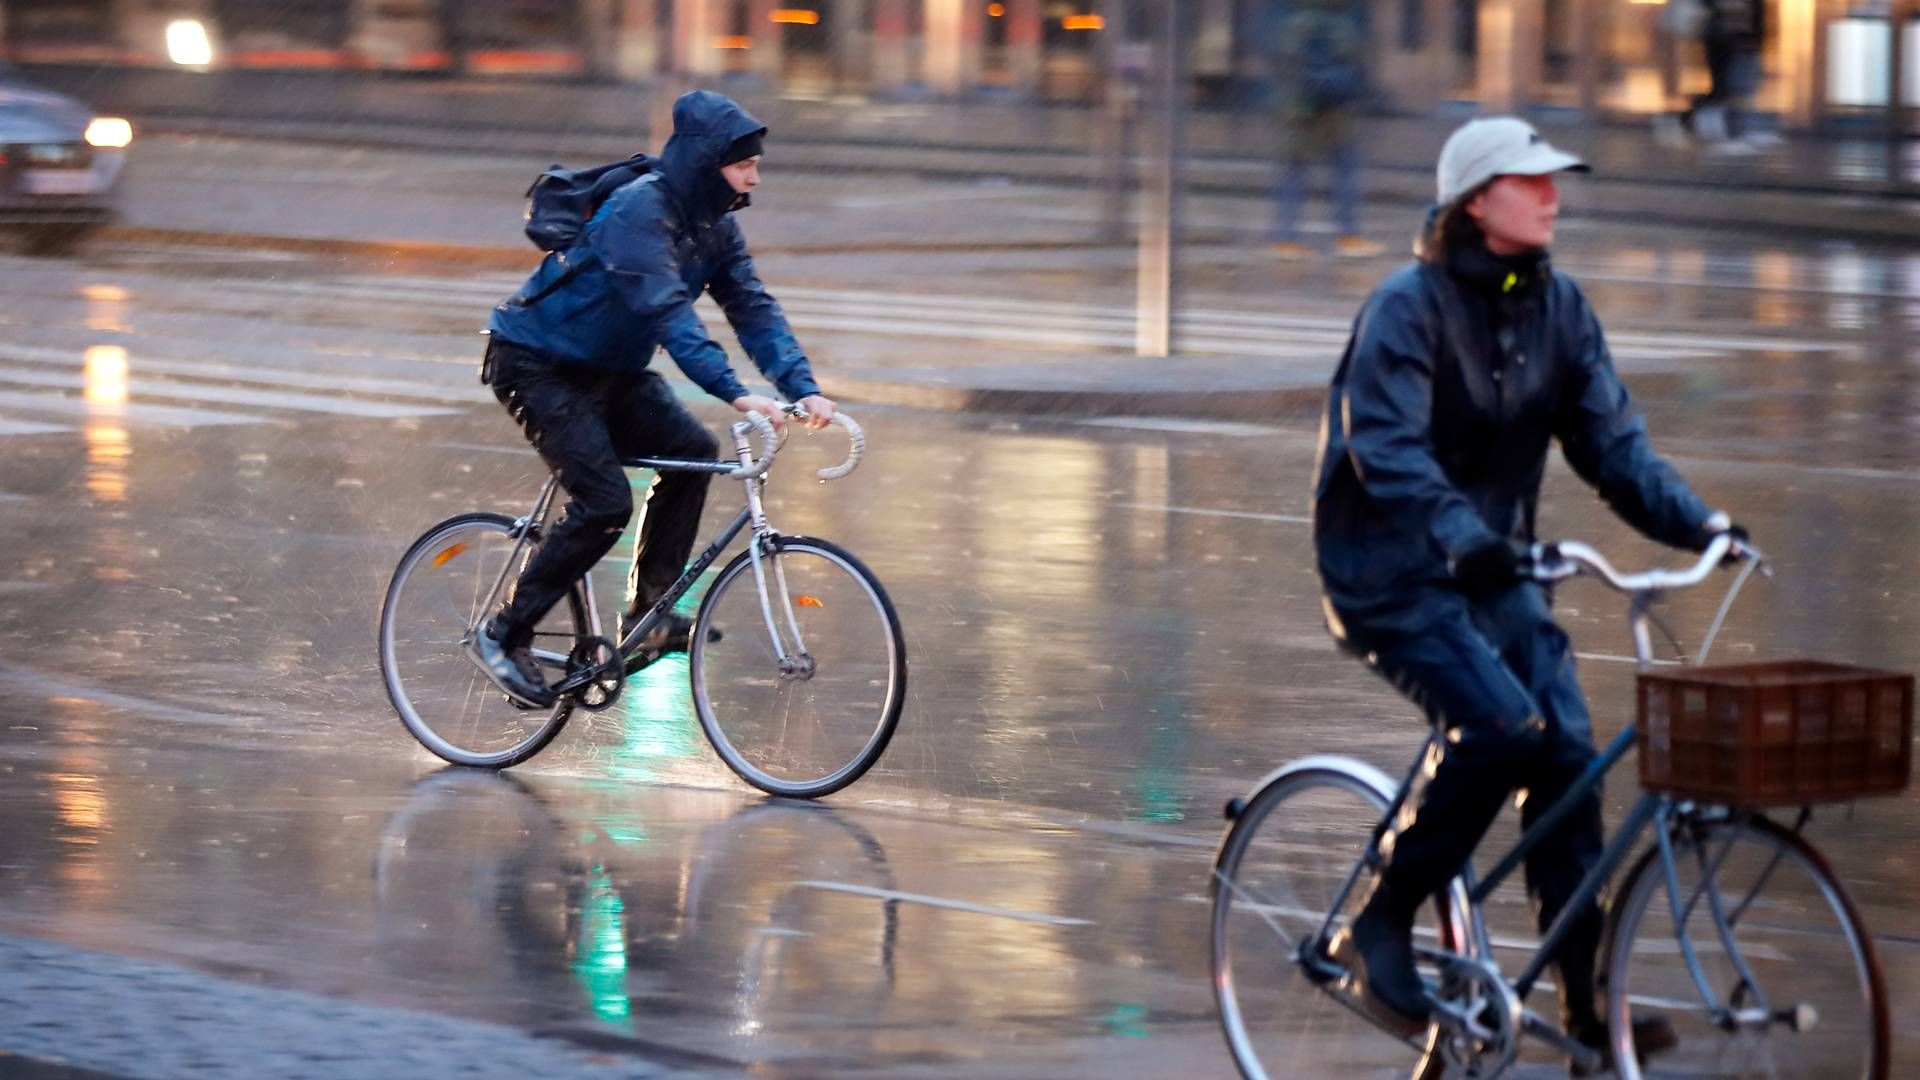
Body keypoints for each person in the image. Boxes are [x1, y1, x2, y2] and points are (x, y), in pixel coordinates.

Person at [1311, 116, 1745, 1071]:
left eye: (1556, 181)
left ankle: (1586, 1000)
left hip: (1491, 569)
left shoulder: (1560, 308)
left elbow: (1612, 444)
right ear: (1477, 201)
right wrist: (1464, 539)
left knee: (1571, 753)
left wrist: (1700, 524)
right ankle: (1377, 926)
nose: (1553, 195)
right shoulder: (1406, 307)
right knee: (1503, 730)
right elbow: (1386, 450)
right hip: (1391, 571)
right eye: (1531, 181)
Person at [473, 90, 836, 708]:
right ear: (705, 162)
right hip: (539, 364)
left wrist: (802, 386)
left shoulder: (715, 225)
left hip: (610, 370)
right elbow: (667, 310)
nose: (755, 174)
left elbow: (751, 307)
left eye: (755, 163)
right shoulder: (637, 212)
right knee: (604, 501)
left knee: (690, 450)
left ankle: (650, 614)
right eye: (742, 162)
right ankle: (504, 634)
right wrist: (733, 390)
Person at [1267, 0, 1382, 259]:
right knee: (1341, 170)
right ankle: (1347, 235)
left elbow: (1283, 63)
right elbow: (1351, 60)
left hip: (1299, 108)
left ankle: (1286, 238)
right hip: (1327, 109)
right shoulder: (1337, 22)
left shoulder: (1293, 20)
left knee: (1296, 173)